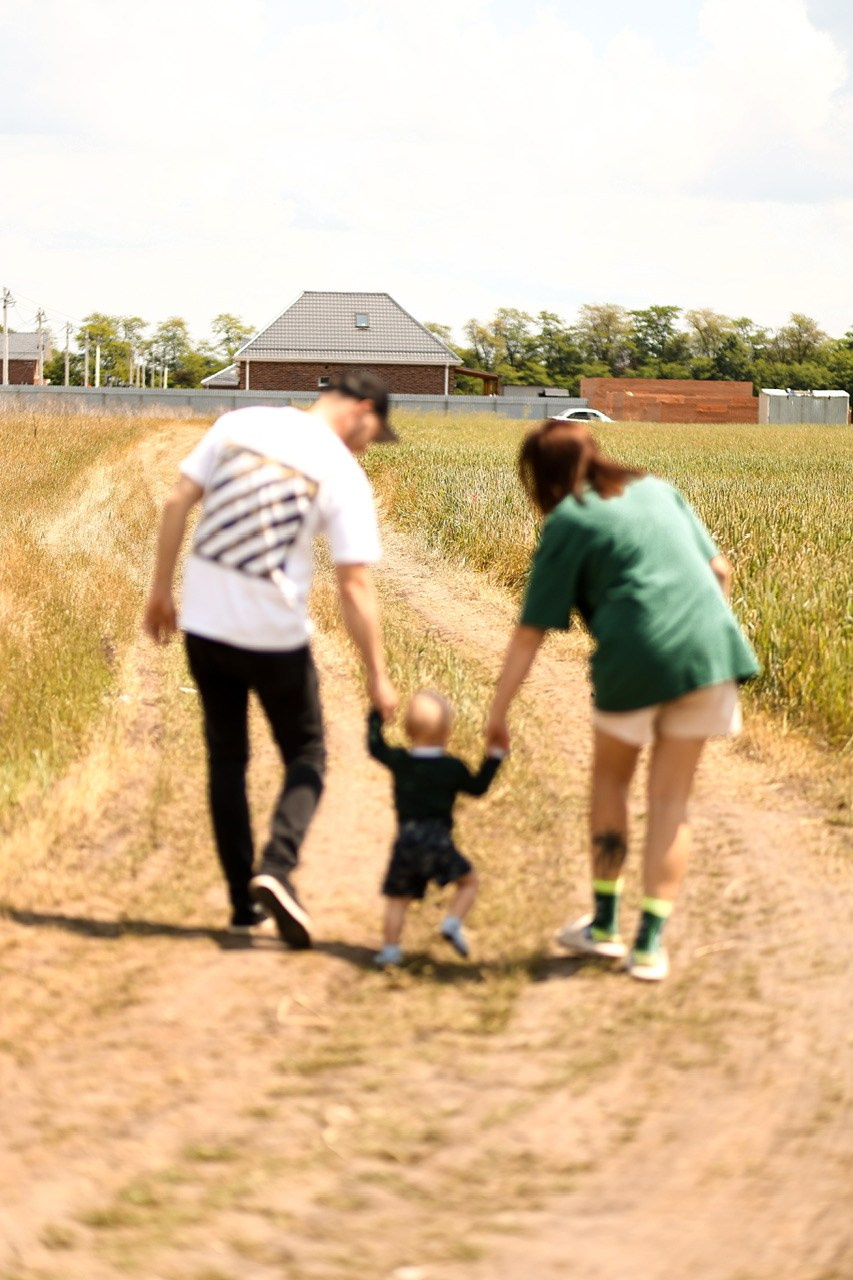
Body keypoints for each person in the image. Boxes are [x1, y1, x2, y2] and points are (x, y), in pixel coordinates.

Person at [485, 419, 759, 982]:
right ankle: (650, 948)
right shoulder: (657, 489)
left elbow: (531, 632)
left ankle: (605, 927)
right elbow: (720, 570)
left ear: (541, 476)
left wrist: (498, 711)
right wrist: (696, 635)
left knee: (611, 782)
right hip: (710, 654)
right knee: (671, 802)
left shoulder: (569, 519)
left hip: (634, 657)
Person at [143, 369, 398, 948]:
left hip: (205, 627)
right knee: (307, 754)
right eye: (373, 434)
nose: (367, 446)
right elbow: (355, 585)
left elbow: (177, 500)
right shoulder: (341, 471)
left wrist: (160, 590)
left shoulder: (239, 424)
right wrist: (377, 674)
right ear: (362, 409)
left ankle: (242, 906)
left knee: (227, 760)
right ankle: (277, 867)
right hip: (274, 637)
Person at [367, 690, 504, 967]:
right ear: (447, 733)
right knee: (468, 882)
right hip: (438, 840)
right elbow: (478, 787)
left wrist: (376, 716)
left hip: (406, 840)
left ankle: (390, 950)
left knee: (398, 899)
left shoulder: (401, 761)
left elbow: (375, 747)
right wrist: (494, 757)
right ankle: (452, 922)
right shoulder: (451, 767)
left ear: (407, 731)